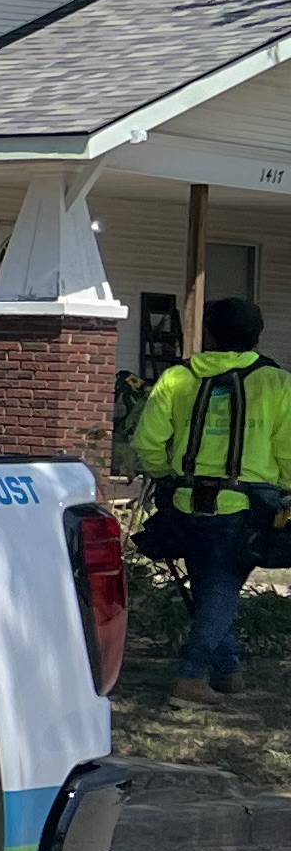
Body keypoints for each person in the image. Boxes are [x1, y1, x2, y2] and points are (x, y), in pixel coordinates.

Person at [130, 296, 291, 701]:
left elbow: (148, 442)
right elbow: (287, 450)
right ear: (257, 335)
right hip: (245, 507)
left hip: (185, 503)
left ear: (209, 334)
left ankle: (228, 671)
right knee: (220, 587)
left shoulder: (177, 378)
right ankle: (192, 677)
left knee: (209, 584)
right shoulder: (276, 383)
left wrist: (168, 476)